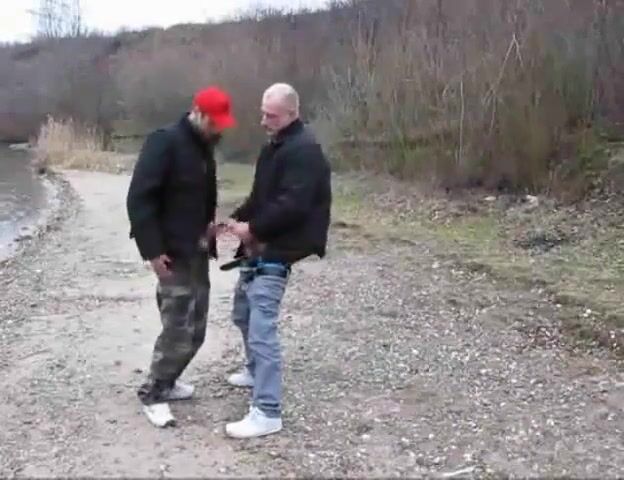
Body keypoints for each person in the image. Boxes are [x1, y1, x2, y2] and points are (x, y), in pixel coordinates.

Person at [223, 83, 332, 439]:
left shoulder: (305, 150)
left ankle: (267, 411)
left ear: (291, 113)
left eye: (271, 115)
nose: (263, 121)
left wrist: (252, 229)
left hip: (283, 246)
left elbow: (293, 205)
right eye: (263, 113)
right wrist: (233, 220)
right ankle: (255, 371)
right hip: (262, 243)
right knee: (242, 313)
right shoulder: (274, 147)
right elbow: (261, 197)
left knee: (261, 328)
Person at [126, 86, 236, 427]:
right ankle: (153, 393)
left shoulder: (204, 147)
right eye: (213, 122)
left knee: (197, 330)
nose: (217, 129)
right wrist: (152, 251)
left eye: (221, 123)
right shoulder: (165, 141)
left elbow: (198, 196)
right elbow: (139, 199)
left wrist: (208, 227)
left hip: (197, 252)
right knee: (177, 328)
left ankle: (169, 381)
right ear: (197, 112)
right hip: (171, 254)